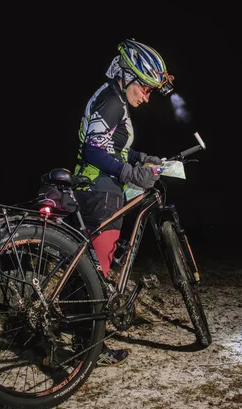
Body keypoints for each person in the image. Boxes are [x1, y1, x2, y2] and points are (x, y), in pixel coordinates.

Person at [72, 38, 175, 366]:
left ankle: (78, 338)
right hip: (101, 192)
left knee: (89, 269)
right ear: (128, 75)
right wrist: (130, 173)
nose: (147, 96)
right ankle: (89, 348)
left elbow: (111, 144)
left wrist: (140, 156)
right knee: (98, 274)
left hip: (95, 189)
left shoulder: (111, 98)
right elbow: (94, 150)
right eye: (145, 88)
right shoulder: (113, 103)